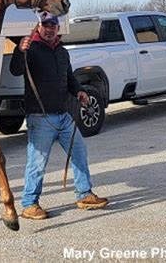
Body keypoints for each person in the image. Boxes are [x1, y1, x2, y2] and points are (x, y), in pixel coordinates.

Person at [10, 12, 108, 220]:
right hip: (40, 116)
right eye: (45, 25)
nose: (49, 28)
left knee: (79, 152)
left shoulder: (62, 52)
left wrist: (79, 91)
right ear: (39, 27)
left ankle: (84, 194)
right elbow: (15, 70)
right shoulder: (31, 48)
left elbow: (69, 78)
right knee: (37, 162)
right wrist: (20, 51)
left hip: (64, 116)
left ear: (57, 28)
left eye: (53, 25)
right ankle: (29, 204)